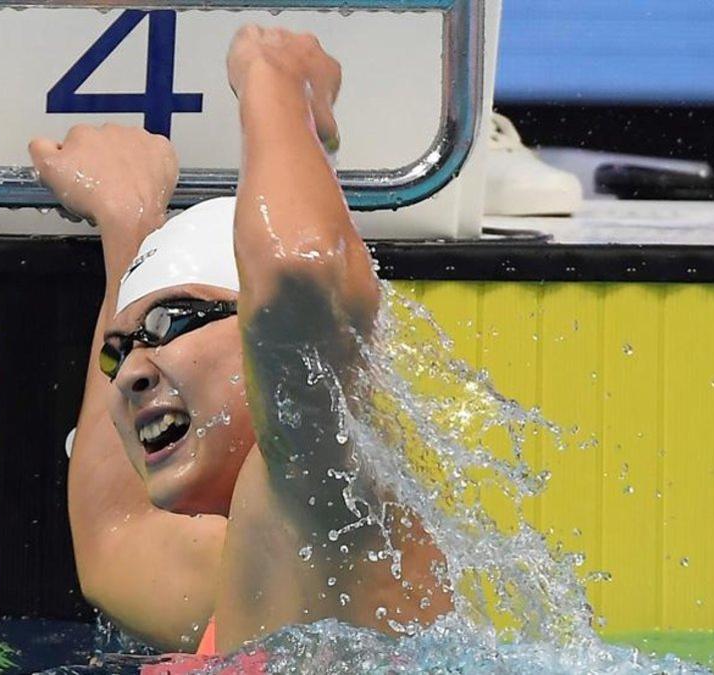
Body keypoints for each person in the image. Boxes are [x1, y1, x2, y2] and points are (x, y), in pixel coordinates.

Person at [29, 25, 451, 656]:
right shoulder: (246, 569)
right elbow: (110, 535)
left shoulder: (328, 501)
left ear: (259, 326)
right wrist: (133, 225)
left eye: (172, 322)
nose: (127, 375)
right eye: (120, 352)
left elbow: (299, 276)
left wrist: (274, 77)